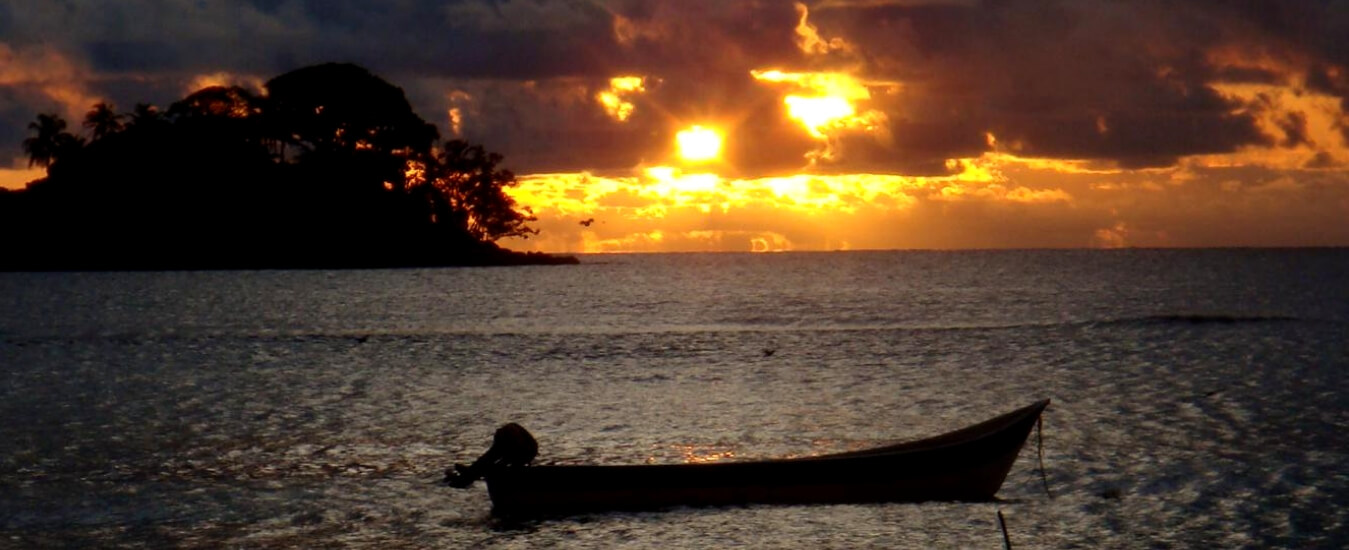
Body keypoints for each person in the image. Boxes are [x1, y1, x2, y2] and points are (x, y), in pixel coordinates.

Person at [445, 423, 538, 488]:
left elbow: (491, 458)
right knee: (490, 463)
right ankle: (469, 474)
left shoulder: (506, 438)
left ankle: (466, 476)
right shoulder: (509, 437)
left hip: (521, 449)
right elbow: (490, 458)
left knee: (491, 464)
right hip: (526, 450)